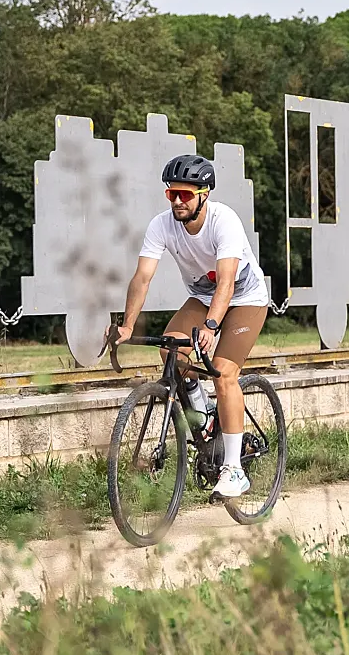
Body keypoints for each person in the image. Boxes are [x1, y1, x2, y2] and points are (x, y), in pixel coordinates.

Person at [113, 153, 270, 499]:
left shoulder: (223, 221)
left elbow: (227, 283)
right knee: (171, 346)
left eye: (186, 194)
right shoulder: (161, 225)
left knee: (224, 373)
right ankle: (203, 414)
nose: (178, 201)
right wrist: (126, 325)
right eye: (172, 194)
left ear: (204, 195)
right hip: (202, 297)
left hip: (245, 298)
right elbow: (142, 278)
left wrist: (212, 327)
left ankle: (234, 469)